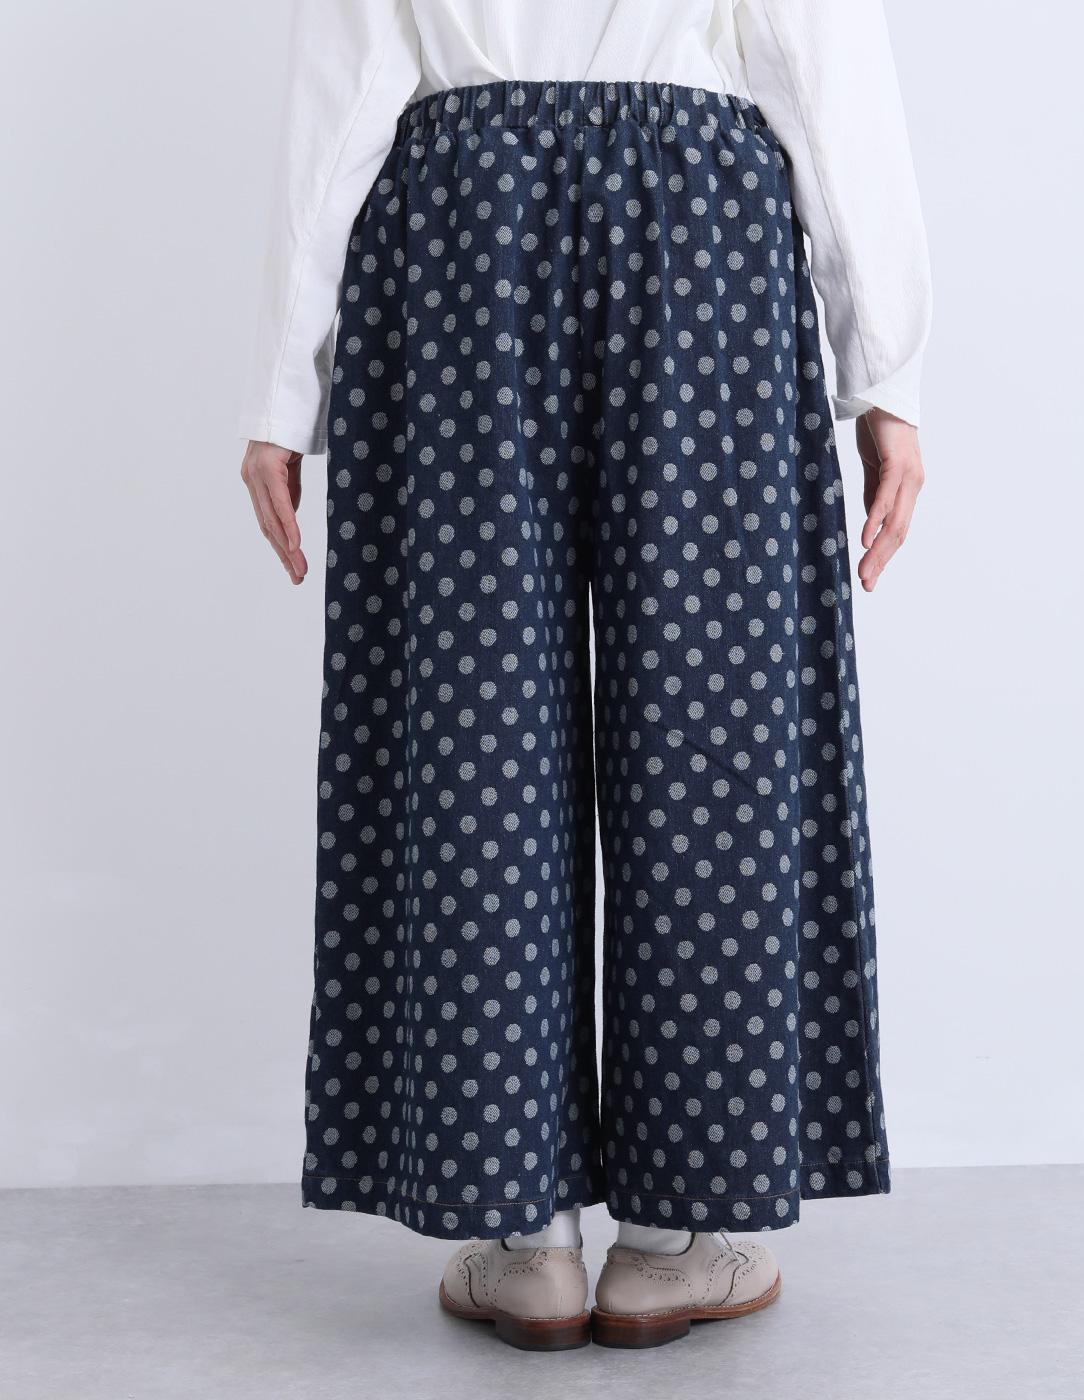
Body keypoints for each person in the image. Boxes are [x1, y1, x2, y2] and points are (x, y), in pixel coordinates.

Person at [238, 0, 930, 1353]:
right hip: (701, 225)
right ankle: (674, 1241)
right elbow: (819, 61)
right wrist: (886, 374)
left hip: (463, 227)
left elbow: (348, 87)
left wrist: (281, 389)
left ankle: (526, 1237)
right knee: (713, 730)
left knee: (475, 728)